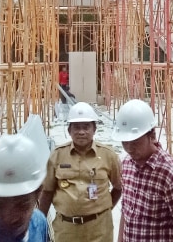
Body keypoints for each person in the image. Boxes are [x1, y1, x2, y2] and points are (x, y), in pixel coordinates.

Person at [111, 99, 173, 242]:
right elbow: (126, 212)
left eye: (135, 141)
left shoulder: (171, 174)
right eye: (124, 142)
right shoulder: (127, 164)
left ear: (151, 135)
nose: (129, 148)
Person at [39, 102, 122, 242]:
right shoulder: (57, 155)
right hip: (66, 230)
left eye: (86, 127)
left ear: (94, 129)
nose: (81, 132)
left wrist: (102, 210)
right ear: (69, 130)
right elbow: (47, 192)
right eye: (76, 127)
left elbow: (118, 188)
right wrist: (40, 224)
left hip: (99, 230)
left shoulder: (108, 155)